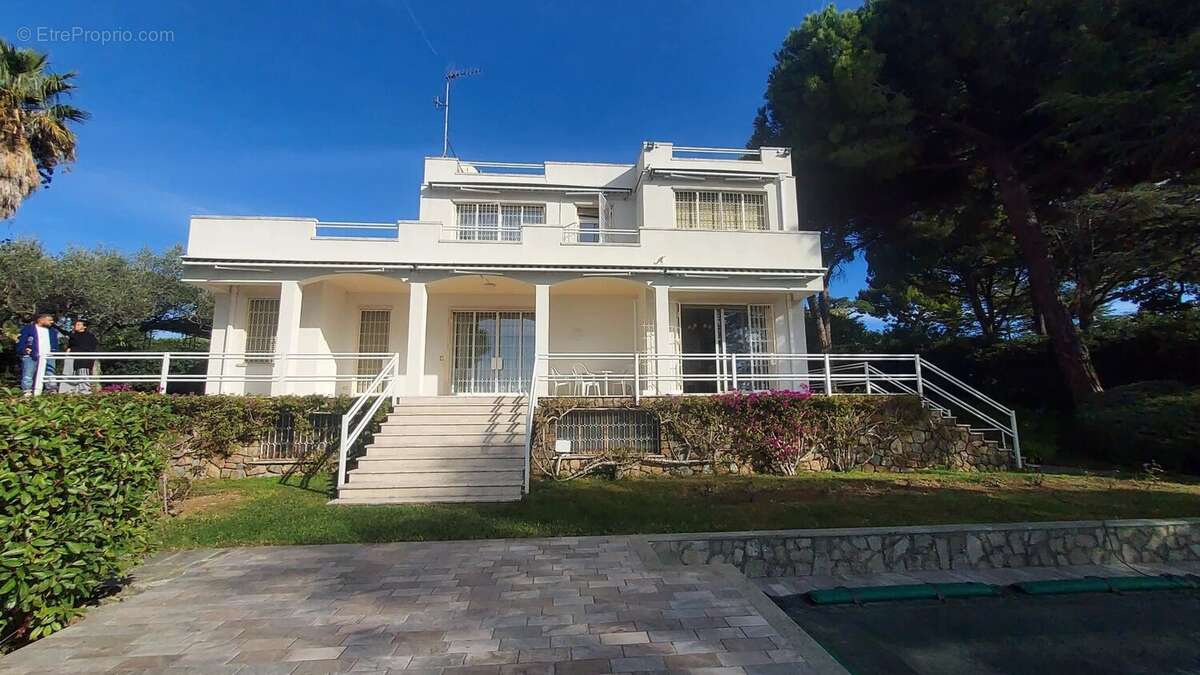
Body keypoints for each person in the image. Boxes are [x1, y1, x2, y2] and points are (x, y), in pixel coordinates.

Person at [17, 313, 57, 395]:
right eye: (49, 320)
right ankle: (27, 391)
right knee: (28, 373)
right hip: (32, 355)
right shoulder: (28, 329)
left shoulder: (52, 331)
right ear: (41, 320)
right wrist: (24, 350)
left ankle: (51, 390)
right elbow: (22, 341)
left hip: (48, 355)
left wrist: (54, 351)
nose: (52, 322)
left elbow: (54, 343)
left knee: (50, 373)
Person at [66, 319, 99, 394]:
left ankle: (85, 391)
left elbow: (91, 347)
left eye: (78, 325)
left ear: (84, 327)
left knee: (83, 374)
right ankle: (75, 391)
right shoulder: (73, 336)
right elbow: (70, 346)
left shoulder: (89, 336)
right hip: (74, 359)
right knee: (75, 374)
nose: (76, 326)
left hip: (85, 359)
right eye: (76, 325)